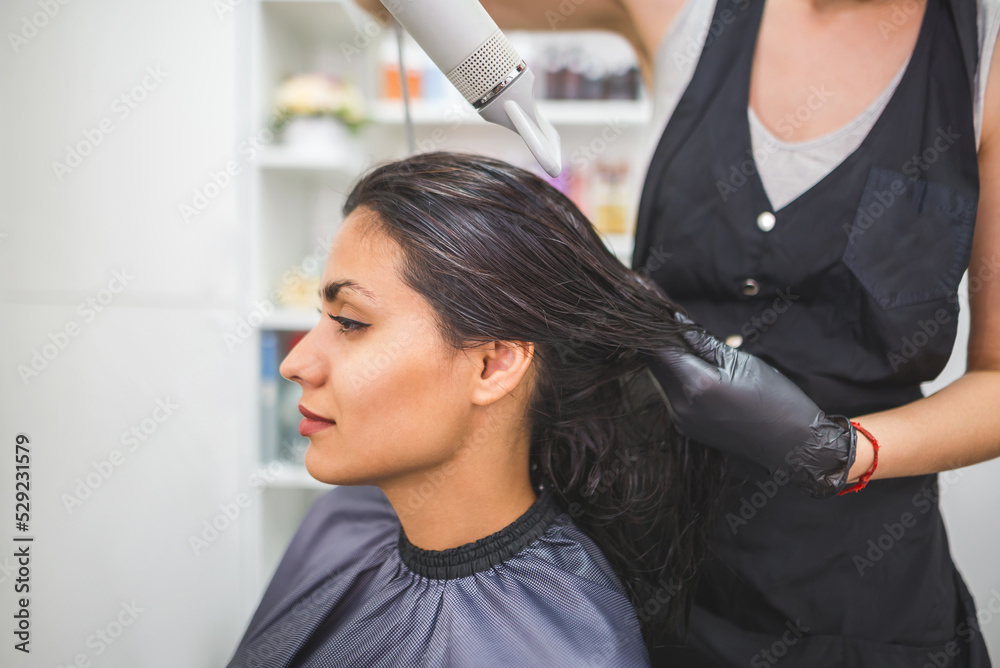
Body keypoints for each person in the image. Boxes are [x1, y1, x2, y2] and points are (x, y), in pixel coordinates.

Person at [346, 0, 1000, 665]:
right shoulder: (681, 8)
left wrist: (838, 450)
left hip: (857, 596)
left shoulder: (986, 60)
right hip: (648, 564)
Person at [227, 150, 754, 667]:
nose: (296, 363)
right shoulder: (343, 521)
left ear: (493, 365)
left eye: (351, 323)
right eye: (322, 315)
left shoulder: (562, 646)